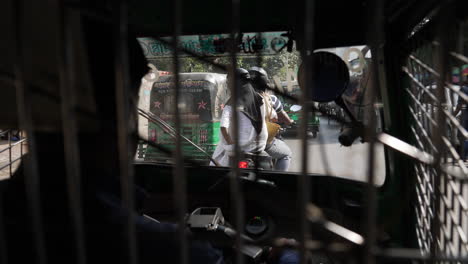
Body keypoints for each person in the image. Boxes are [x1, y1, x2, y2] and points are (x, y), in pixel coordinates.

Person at [211, 68, 268, 166]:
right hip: (259, 145)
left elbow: (223, 127)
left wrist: (231, 144)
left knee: (217, 159)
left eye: (229, 83)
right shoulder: (260, 99)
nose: (228, 86)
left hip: (239, 148)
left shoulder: (231, 104)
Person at [249, 67, 293, 171]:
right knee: (286, 154)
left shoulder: (237, 100)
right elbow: (284, 118)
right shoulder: (270, 99)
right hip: (261, 142)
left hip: (239, 143)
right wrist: (290, 121)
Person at [453, 75, 468, 160]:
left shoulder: (464, 89)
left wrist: (453, 115)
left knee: (461, 136)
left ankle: (463, 156)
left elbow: (459, 105)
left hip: (465, 115)